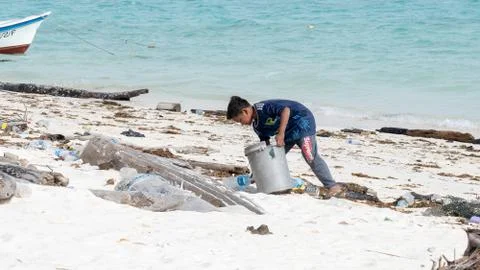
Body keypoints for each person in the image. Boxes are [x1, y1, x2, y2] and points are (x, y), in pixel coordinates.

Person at [226, 96, 342, 196]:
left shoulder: (263, 107)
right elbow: (265, 151)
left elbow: (286, 110)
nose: (242, 124)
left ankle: (332, 185)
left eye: (240, 120)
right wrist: (256, 174)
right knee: (273, 158)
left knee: (309, 155)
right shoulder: (257, 127)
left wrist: (281, 134)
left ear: (245, 111)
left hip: (302, 121)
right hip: (288, 132)